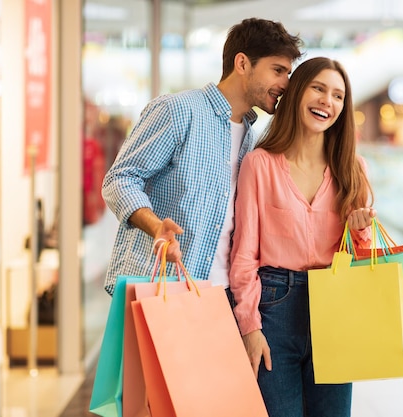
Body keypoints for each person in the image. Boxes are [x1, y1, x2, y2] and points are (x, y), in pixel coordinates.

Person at [101, 18, 303, 295]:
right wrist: (156, 227)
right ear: (242, 63)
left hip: (217, 295)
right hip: (161, 289)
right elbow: (119, 179)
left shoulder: (250, 138)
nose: (286, 84)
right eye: (278, 70)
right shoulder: (178, 111)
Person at [228, 56, 376, 417]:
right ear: (297, 93)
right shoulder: (260, 164)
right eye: (319, 89)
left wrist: (361, 231)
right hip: (275, 308)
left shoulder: (352, 169)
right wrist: (249, 327)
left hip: (336, 305)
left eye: (338, 96)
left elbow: (364, 257)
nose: (328, 101)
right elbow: (244, 253)